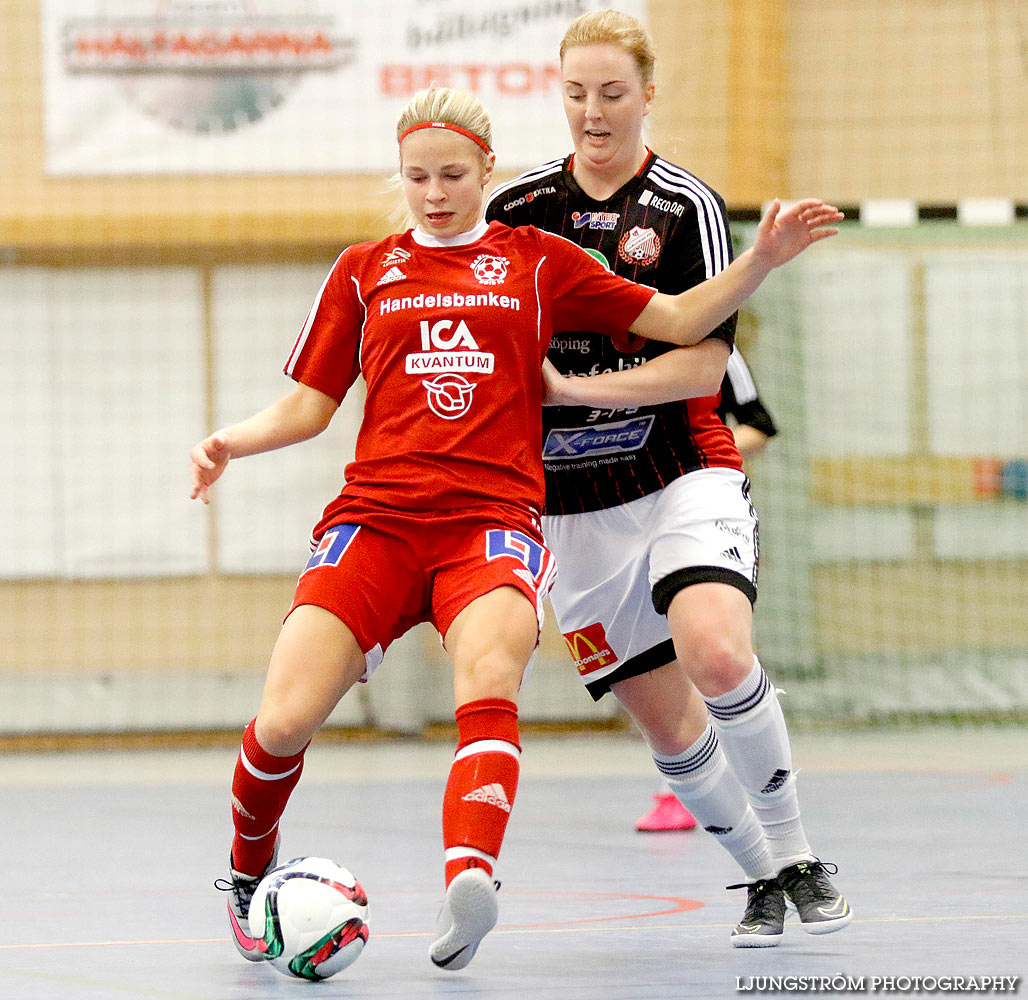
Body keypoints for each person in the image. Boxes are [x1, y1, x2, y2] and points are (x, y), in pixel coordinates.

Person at [191, 84, 839, 972]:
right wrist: (232, 441)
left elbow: (682, 320)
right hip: (375, 524)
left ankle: (471, 881)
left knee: (488, 680)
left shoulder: (536, 259)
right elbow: (310, 406)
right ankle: (243, 875)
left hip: (490, 526)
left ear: (485, 171)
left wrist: (761, 258)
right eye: (416, 177)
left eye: (452, 174)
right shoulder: (363, 269)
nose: (434, 192)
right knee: (283, 721)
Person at [485, 8, 851, 948]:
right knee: (670, 732)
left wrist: (570, 386)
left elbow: (701, 366)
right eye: (576, 95)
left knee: (719, 654)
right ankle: (761, 878)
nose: (593, 114)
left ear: (648, 96)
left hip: (680, 471)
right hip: (571, 515)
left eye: (612, 94)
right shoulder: (516, 215)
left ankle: (801, 852)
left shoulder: (685, 207)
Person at [635, 346, 779, 832]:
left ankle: (757, 780)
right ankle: (684, 780)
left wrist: (691, 451)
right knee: (652, 661)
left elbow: (758, 423)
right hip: (627, 512)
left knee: (721, 651)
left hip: (703, 512)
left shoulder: (714, 344)